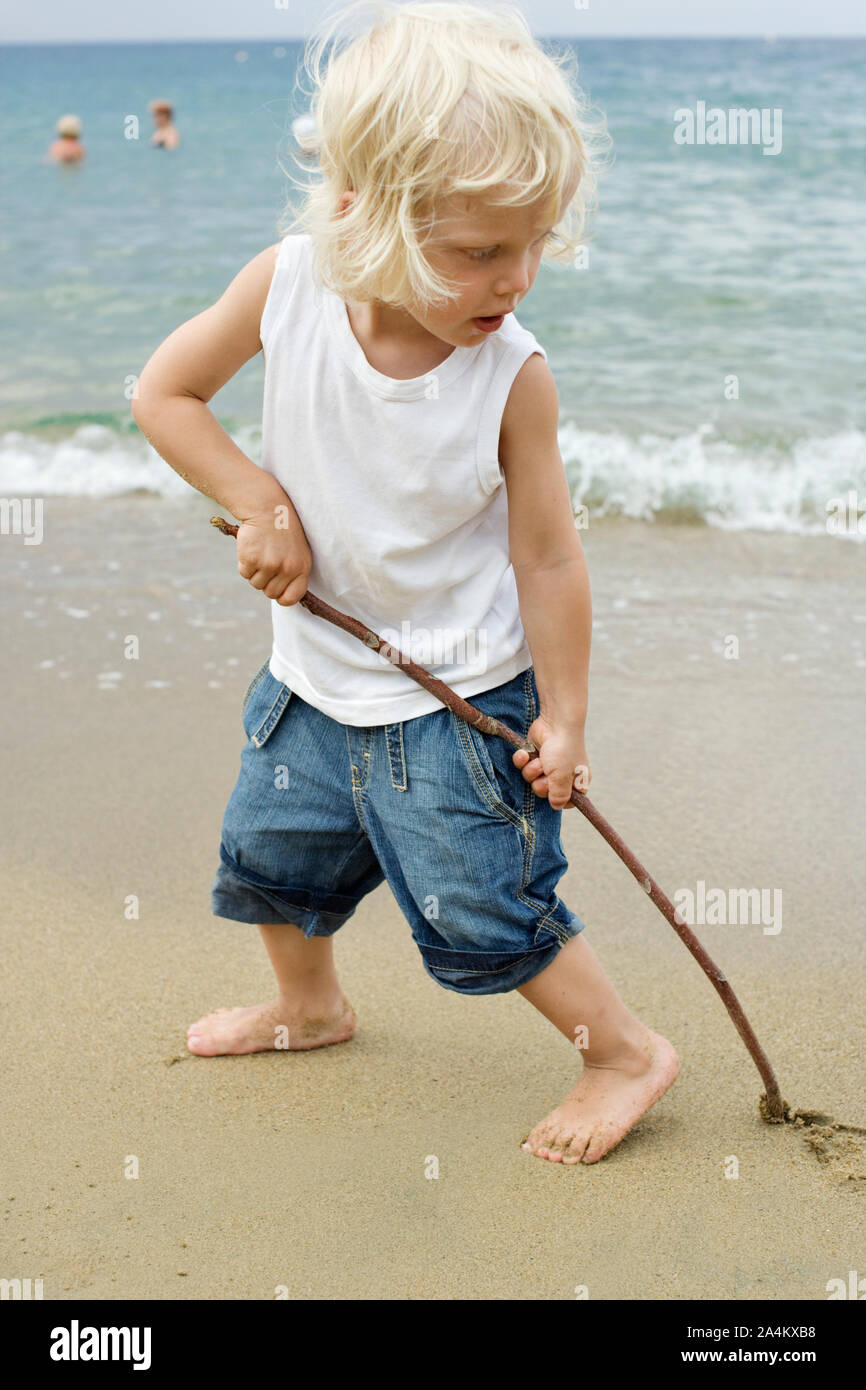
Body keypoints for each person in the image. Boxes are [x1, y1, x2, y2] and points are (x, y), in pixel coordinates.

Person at [132, 0, 679, 1166]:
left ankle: (621, 1050)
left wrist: (568, 718)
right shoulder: (286, 287)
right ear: (357, 214)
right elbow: (164, 396)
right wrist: (263, 501)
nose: (516, 277)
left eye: (532, 242)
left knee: (486, 906)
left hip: (458, 705)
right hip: (312, 681)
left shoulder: (510, 377)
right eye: (480, 251)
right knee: (271, 856)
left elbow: (546, 555)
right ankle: (310, 1006)